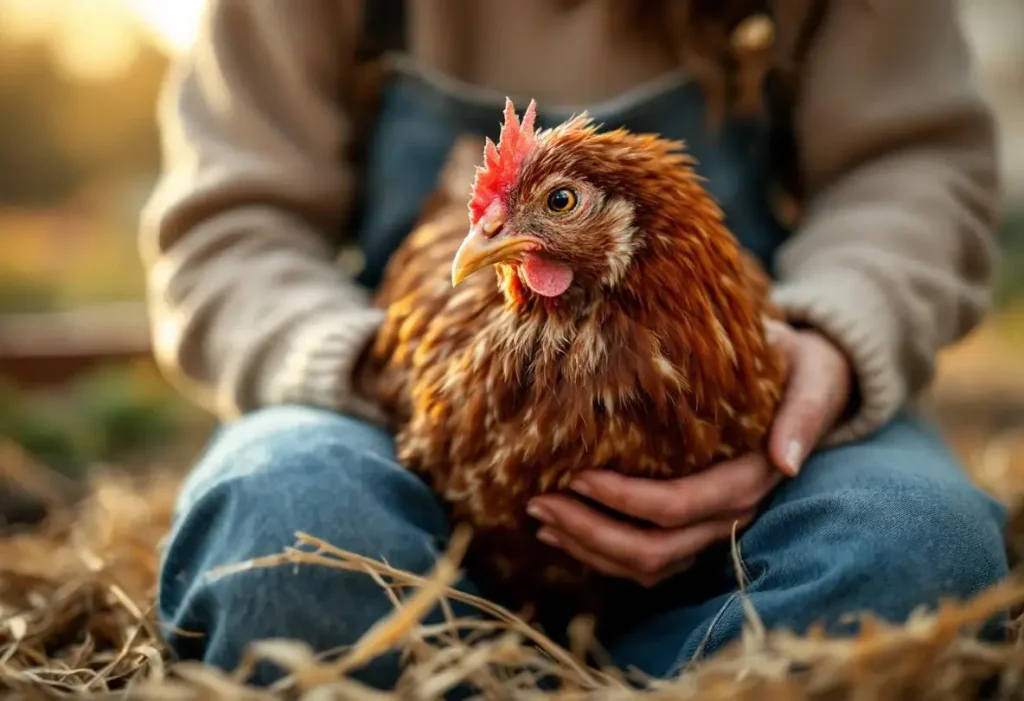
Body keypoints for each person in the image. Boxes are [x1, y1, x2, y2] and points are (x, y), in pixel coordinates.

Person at [140, 0, 1010, 689]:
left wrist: (831, 348)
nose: (491, 236)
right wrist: (383, 365)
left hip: (770, 363)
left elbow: (915, 168)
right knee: (282, 531)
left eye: (555, 205)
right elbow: (227, 227)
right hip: (388, 398)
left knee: (918, 550)